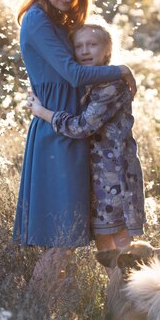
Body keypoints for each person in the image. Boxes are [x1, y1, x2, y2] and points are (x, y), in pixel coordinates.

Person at [13, 0, 136, 298]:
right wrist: (122, 70)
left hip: (75, 129)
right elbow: (73, 73)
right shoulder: (36, 20)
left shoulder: (58, 21)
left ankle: (56, 312)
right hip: (58, 135)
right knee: (62, 236)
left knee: (80, 233)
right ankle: (31, 314)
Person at [27, 23, 145, 264]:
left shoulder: (112, 85)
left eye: (92, 45)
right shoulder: (85, 84)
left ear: (107, 51)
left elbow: (83, 126)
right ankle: (116, 292)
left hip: (116, 174)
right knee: (103, 237)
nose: (84, 51)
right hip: (97, 176)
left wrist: (43, 112)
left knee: (121, 236)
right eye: (78, 46)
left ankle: (135, 290)